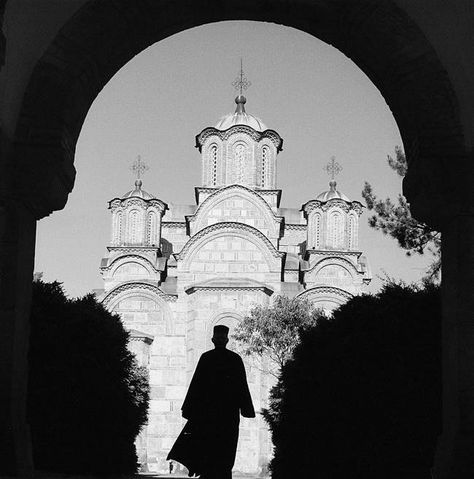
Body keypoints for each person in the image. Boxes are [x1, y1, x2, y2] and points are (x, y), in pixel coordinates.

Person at [168, 325, 255, 479]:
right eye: (218, 338)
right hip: (210, 415)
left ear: (227, 340)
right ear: (213, 339)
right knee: (210, 447)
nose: (220, 340)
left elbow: (241, 385)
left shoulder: (232, 359)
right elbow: (197, 384)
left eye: (223, 338)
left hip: (225, 414)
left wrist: (246, 408)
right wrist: (189, 408)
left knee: (225, 448)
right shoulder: (208, 358)